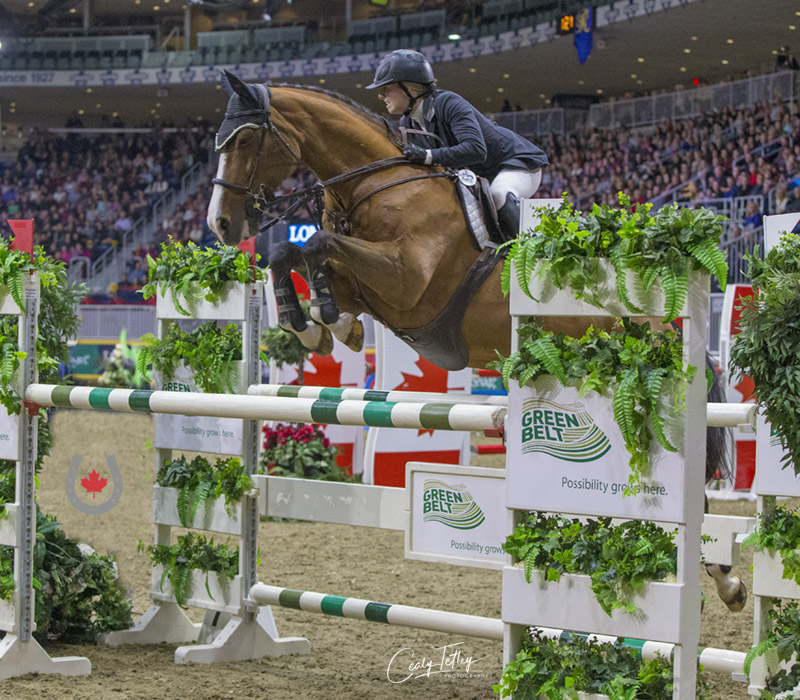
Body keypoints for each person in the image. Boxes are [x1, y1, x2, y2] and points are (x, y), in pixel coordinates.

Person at [366, 49, 549, 242]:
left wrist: (428, 155)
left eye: (386, 89)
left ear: (409, 89)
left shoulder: (449, 103)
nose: (380, 95)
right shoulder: (408, 124)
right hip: (481, 178)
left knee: (499, 193)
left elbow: (476, 150)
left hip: (515, 164)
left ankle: (533, 256)